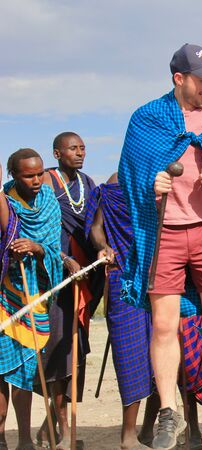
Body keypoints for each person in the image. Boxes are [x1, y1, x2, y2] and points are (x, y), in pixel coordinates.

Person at [118, 43, 202, 449]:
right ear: (179, 78)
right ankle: (168, 411)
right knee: (163, 324)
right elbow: (130, 174)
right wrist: (150, 184)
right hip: (166, 234)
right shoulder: (147, 119)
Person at [37, 131, 105, 446]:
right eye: (73, 149)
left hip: (84, 273)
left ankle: (55, 418)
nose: (79, 153)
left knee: (75, 348)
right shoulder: (47, 181)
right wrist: (62, 258)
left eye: (82, 148)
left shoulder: (88, 183)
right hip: (55, 274)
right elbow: (39, 228)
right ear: (56, 153)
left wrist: (104, 250)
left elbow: (94, 225)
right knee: (58, 345)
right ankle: (61, 424)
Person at [86, 173, 160, 449]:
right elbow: (97, 226)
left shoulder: (165, 179)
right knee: (130, 357)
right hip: (122, 276)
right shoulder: (115, 183)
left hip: (161, 275)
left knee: (162, 357)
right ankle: (128, 435)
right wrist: (104, 247)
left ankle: (149, 431)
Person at [0, 150, 63, 450]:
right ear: (13, 175)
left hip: (33, 293)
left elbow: (53, 248)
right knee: (1, 367)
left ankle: (24, 439)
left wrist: (36, 248)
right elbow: (5, 235)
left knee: (25, 369)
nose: (37, 180)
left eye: (40, 173)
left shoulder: (50, 202)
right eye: (28, 175)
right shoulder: (5, 201)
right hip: (4, 294)